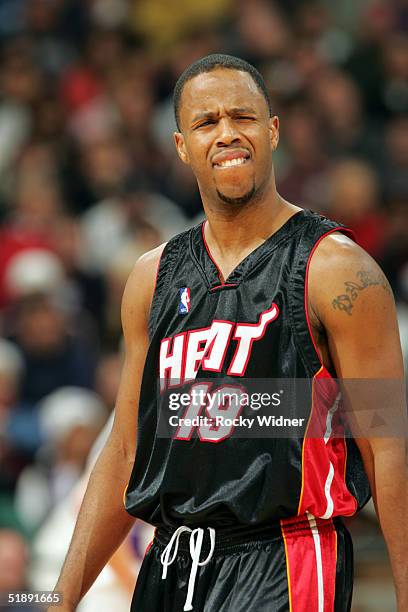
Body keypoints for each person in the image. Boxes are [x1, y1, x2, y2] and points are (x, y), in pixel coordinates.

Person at [48, 54, 407, 612]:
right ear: (180, 146)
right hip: (169, 563)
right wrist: (59, 600)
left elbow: (389, 447)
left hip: (287, 559)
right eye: (206, 122)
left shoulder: (338, 270)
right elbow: (126, 451)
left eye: (242, 116)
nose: (227, 134)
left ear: (273, 131)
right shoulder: (151, 277)